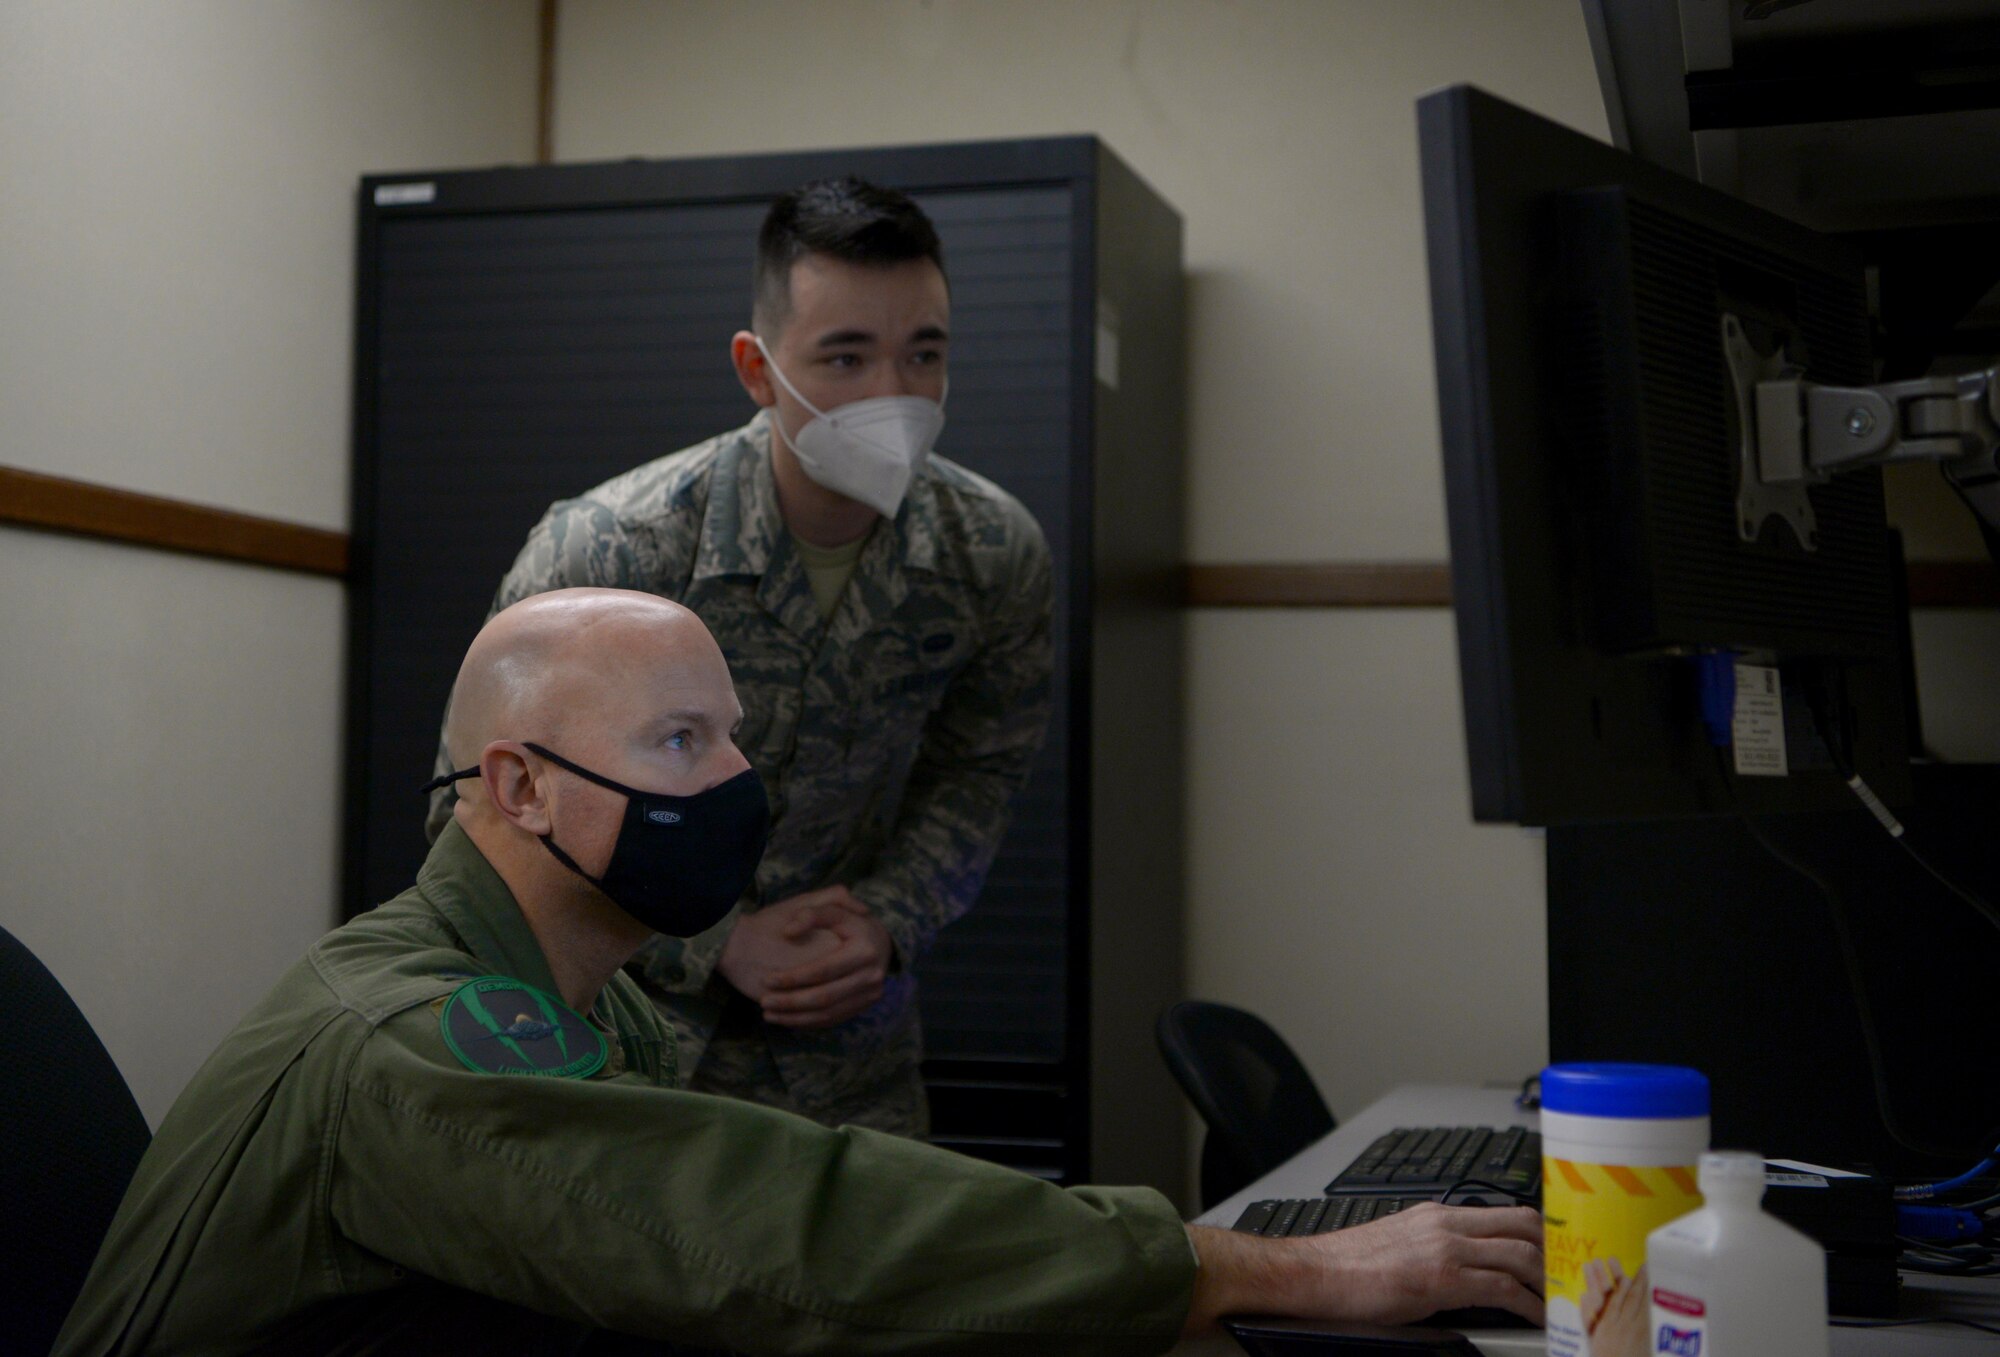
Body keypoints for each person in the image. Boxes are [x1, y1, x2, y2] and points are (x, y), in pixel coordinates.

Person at [59, 589, 1545, 1356]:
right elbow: (771, 1227)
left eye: (733, 736)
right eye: (679, 746)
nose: (738, 781)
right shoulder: (417, 1040)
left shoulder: (603, 1000)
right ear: (517, 790)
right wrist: (1241, 1265)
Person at [427, 176, 1053, 1139]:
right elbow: (471, 820)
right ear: (758, 370)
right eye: (845, 356)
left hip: (853, 1063)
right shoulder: (612, 552)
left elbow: (982, 771)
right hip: (625, 1052)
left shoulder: (991, 554)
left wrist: (887, 921)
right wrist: (710, 941)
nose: (892, 395)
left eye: (922, 353)